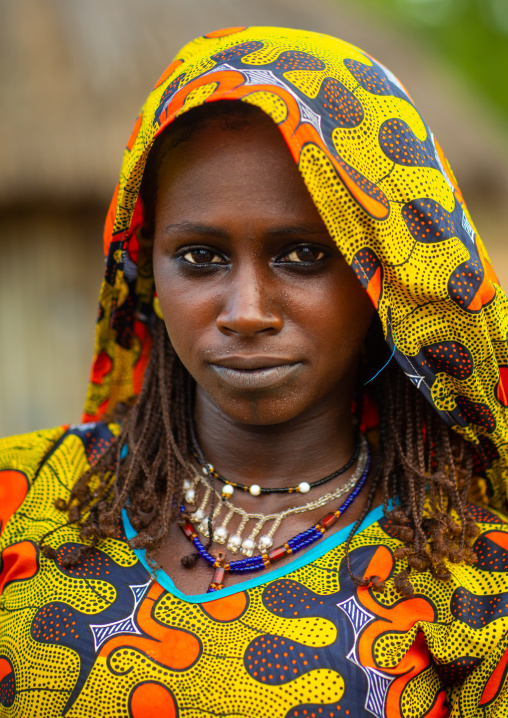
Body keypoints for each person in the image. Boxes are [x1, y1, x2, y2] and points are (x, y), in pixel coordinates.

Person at [1, 25, 508, 718]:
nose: (245, 311)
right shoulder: (23, 501)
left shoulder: (474, 582)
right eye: (200, 257)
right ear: (146, 267)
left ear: (382, 277)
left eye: (302, 254)